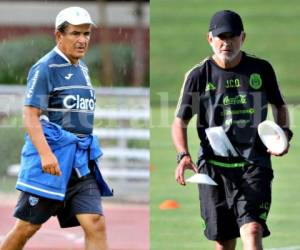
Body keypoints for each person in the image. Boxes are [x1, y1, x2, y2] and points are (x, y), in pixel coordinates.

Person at [172, 10, 293, 250]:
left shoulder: (261, 69)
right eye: (220, 37)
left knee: (253, 228)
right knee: (224, 241)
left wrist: (284, 135)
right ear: (210, 39)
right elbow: (180, 121)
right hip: (215, 169)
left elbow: (279, 106)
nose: (226, 43)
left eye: (232, 37)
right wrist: (183, 154)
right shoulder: (198, 75)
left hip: (253, 164)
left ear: (243, 38)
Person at [0, 6, 113, 250]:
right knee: (27, 227)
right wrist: (45, 154)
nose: (82, 40)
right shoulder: (45, 68)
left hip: (80, 162)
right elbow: (30, 115)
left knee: (95, 222)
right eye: (75, 33)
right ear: (58, 35)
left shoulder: (82, 68)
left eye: (86, 34)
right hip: (52, 162)